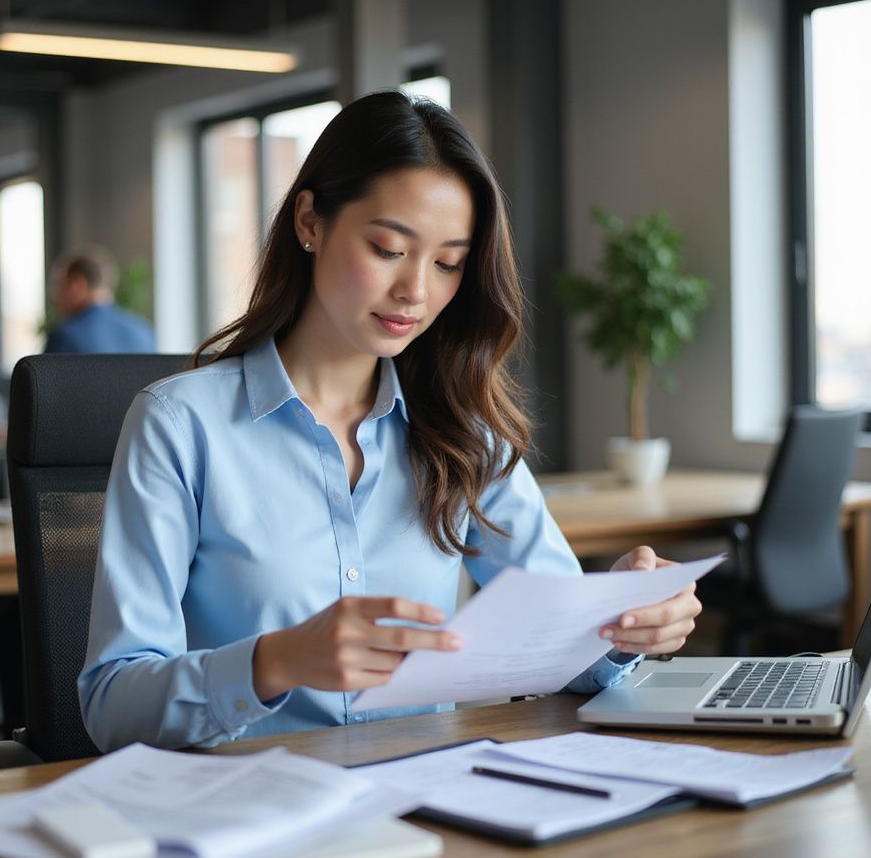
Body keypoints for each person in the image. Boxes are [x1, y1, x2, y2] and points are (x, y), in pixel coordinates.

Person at [78, 91, 701, 753]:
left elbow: (560, 644)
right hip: (245, 816)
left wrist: (622, 622)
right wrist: (277, 661)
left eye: (448, 263)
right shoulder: (180, 426)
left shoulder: (464, 432)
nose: (417, 291)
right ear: (310, 220)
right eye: (387, 248)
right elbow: (113, 703)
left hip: (426, 800)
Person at [44, 247, 156, 354]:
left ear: (76, 285)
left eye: (59, 285)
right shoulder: (144, 331)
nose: (55, 295)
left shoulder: (66, 336)